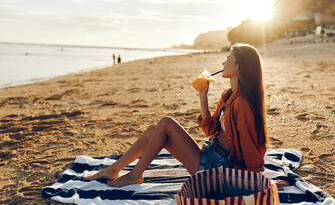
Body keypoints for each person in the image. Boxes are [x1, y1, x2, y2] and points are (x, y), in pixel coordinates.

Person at [83, 43, 268, 188]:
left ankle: (135, 175)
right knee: (154, 130)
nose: (223, 63)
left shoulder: (242, 104)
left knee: (166, 123)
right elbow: (210, 129)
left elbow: (249, 146)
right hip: (209, 156)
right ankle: (113, 170)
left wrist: (258, 182)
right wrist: (202, 96)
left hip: (217, 168)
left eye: (228, 59)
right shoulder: (228, 95)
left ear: (240, 66)